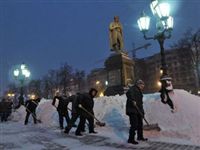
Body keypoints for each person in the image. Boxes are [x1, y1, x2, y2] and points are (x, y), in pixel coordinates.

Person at [126, 79, 148, 145]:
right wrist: (132, 100)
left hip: (138, 110)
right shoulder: (133, 89)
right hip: (132, 110)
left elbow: (140, 104)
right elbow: (128, 93)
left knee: (140, 124)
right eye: (142, 85)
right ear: (139, 84)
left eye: (143, 85)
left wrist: (142, 112)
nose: (143, 87)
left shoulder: (139, 91)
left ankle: (140, 137)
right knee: (134, 125)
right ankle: (131, 139)